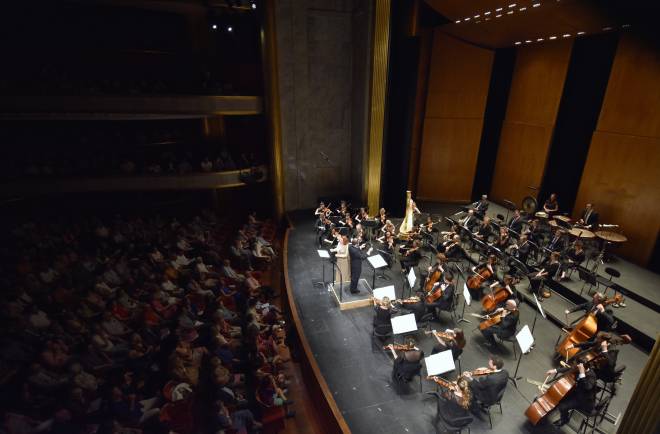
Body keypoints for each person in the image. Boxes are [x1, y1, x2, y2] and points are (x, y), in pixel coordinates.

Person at [545, 358, 597, 427]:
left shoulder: (591, 376)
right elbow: (569, 369)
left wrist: (582, 373)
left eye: (576, 366)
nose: (574, 367)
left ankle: (564, 420)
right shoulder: (577, 369)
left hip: (584, 400)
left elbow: (587, 387)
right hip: (576, 393)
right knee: (560, 395)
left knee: (562, 406)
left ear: (582, 367)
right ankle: (551, 410)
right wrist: (555, 370)